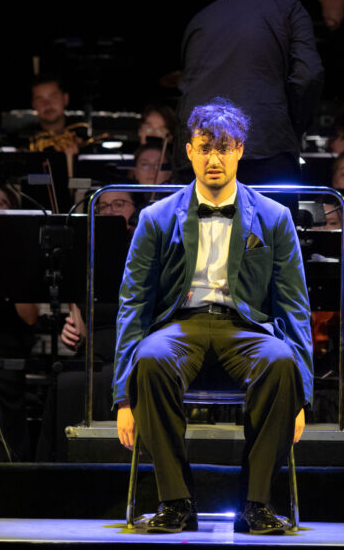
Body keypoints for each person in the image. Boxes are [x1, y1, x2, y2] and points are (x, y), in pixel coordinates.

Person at [113, 98, 311, 533]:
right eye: (205, 148)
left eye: (223, 147)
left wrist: (302, 394)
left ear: (240, 149)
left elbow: (294, 306)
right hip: (180, 324)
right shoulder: (155, 218)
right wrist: (123, 397)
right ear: (189, 151)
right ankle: (176, 502)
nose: (214, 159)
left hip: (245, 328)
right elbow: (133, 304)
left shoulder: (275, 218)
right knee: (150, 358)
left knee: (280, 361)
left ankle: (255, 505)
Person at [178, 0, 323, 185]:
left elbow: (187, 89)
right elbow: (308, 75)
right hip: (267, 149)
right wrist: (292, 128)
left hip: (201, 154)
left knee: (206, 222)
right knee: (270, 221)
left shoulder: (200, 18)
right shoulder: (288, 7)